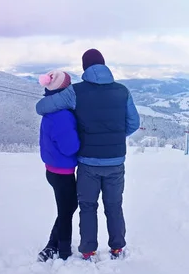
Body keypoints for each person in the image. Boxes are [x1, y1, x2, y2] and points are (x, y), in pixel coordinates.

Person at [35, 48, 140, 261]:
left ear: (84, 68)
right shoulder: (122, 91)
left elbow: (42, 107)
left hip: (88, 163)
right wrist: (115, 137)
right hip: (115, 160)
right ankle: (117, 248)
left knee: (87, 206)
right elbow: (133, 123)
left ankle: (88, 250)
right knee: (114, 205)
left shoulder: (76, 92)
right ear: (104, 64)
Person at [36, 70, 80, 262]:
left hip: (53, 169)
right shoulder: (62, 115)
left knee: (67, 207)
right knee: (66, 210)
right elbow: (70, 147)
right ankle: (62, 250)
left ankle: (54, 245)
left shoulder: (50, 111)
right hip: (63, 173)